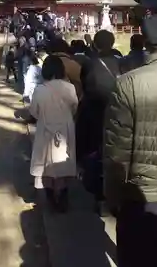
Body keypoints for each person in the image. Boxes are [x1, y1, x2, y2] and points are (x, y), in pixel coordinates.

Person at [104, 15, 157, 267]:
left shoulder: (127, 84)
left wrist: (113, 196)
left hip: (141, 197)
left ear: (145, 41)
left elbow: (117, 153)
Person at [77, 30, 121, 212]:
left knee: (95, 152)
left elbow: (85, 86)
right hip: (118, 112)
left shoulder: (89, 64)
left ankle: (99, 195)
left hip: (94, 112)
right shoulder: (122, 61)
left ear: (95, 43)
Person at [29, 55, 78, 213]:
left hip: (45, 129)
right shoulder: (69, 88)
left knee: (46, 165)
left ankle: (50, 197)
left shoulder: (40, 90)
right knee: (63, 161)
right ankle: (63, 196)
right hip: (65, 129)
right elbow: (74, 107)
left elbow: (34, 112)